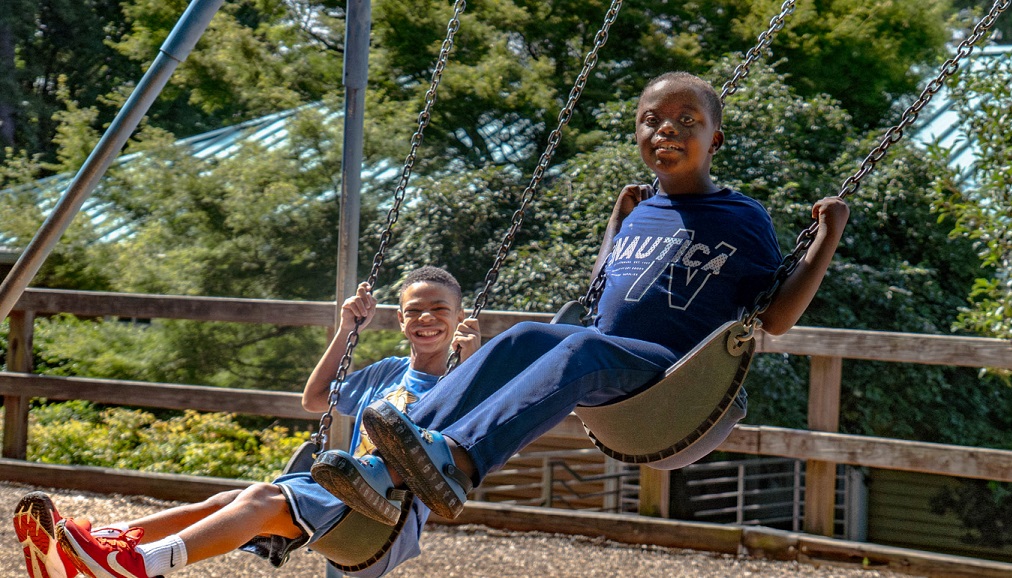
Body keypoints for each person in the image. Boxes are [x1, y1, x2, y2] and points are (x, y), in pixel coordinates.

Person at [316, 71, 850, 524]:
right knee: (526, 336)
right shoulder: (644, 210)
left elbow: (774, 317)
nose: (667, 128)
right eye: (652, 119)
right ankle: (393, 451)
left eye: (688, 120)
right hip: (610, 353)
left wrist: (826, 238)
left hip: (674, 373)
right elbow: (601, 290)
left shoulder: (741, 216)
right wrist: (617, 222)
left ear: (716, 141)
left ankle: (461, 460)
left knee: (581, 348)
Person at [13, 266, 480, 578]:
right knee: (229, 500)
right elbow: (315, 399)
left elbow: (471, 440)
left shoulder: (466, 382)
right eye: (414, 310)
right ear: (399, 319)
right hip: (343, 493)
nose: (426, 318)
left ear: (460, 317)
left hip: (385, 517)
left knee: (258, 498)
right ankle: (93, 546)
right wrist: (345, 331)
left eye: (439, 309)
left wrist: (475, 362)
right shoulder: (387, 372)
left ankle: (137, 564)